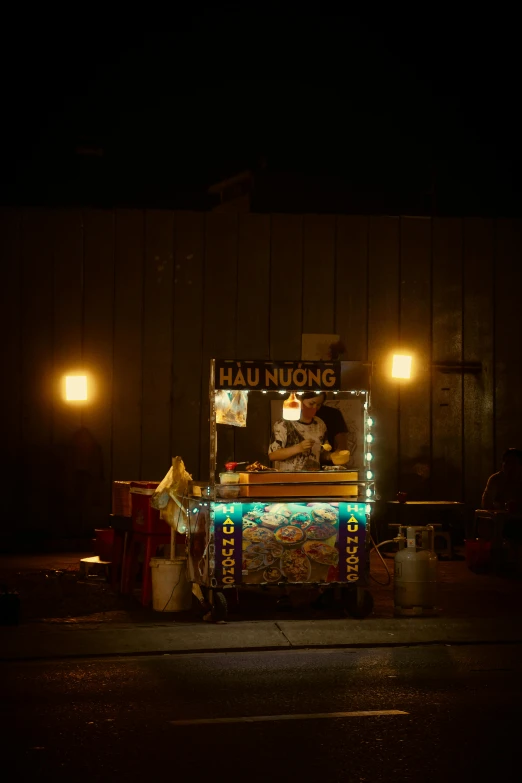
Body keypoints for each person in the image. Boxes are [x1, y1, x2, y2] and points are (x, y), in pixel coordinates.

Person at [268, 392, 329, 471]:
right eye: (311, 404)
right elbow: (273, 455)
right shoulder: (283, 424)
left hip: (313, 478)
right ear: (299, 401)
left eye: (318, 405)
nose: (315, 408)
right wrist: (298, 448)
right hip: (287, 479)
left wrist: (332, 456)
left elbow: (321, 453)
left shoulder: (320, 424)